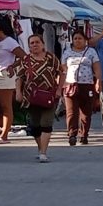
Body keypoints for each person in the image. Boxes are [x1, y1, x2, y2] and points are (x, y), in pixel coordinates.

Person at [15, 34, 63, 163]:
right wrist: (18, 92)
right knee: (35, 126)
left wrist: (59, 89)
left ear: (42, 44)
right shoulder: (26, 60)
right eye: (31, 43)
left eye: (37, 42)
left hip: (49, 96)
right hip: (32, 97)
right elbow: (19, 77)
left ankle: (43, 152)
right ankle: (41, 148)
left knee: (46, 124)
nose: (34, 45)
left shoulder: (51, 58)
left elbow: (61, 72)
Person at [0, 17, 26, 143]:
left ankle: (4, 135)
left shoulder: (10, 42)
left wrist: (13, 66)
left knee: (5, 105)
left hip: (5, 74)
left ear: (1, 30)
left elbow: (24, 56)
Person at [61, 29, 101, 146]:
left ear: (85, 40)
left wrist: (98, 81)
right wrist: (62, 84)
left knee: (86, 112)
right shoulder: (67, 53)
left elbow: (97, 68)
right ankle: (72, 135)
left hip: (87, 85)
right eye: (75, 39)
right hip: (71, 85)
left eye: (80, 38)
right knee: (71, 112)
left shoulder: (91, 52)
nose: (77, 41)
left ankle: (84, 135)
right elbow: (63, 69)